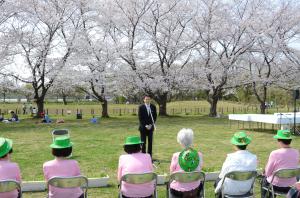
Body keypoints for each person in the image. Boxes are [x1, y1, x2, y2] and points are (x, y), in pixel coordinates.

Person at [215, 131, 257, 197]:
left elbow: (222, 175)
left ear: (235, 145)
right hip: (246, 188)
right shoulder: (253, 157)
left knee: (218, 181)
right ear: (247, 144)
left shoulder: (230, 157)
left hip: (230, 190)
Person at [261, 129, 300, 197]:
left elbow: (267, 173)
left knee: (264, 179)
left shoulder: (275, 153)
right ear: (290, 140)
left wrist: (264, 173)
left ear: (279, 140)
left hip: (276, 186)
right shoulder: (296, 152)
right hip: (292, 185)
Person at [169, 128, 204, 198]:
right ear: (192, 140)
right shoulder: (199, 155)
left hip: (178, 191)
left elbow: (171, 173)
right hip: (195, 189)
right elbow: (200, 168)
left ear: (180, 141)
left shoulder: (176, 156)